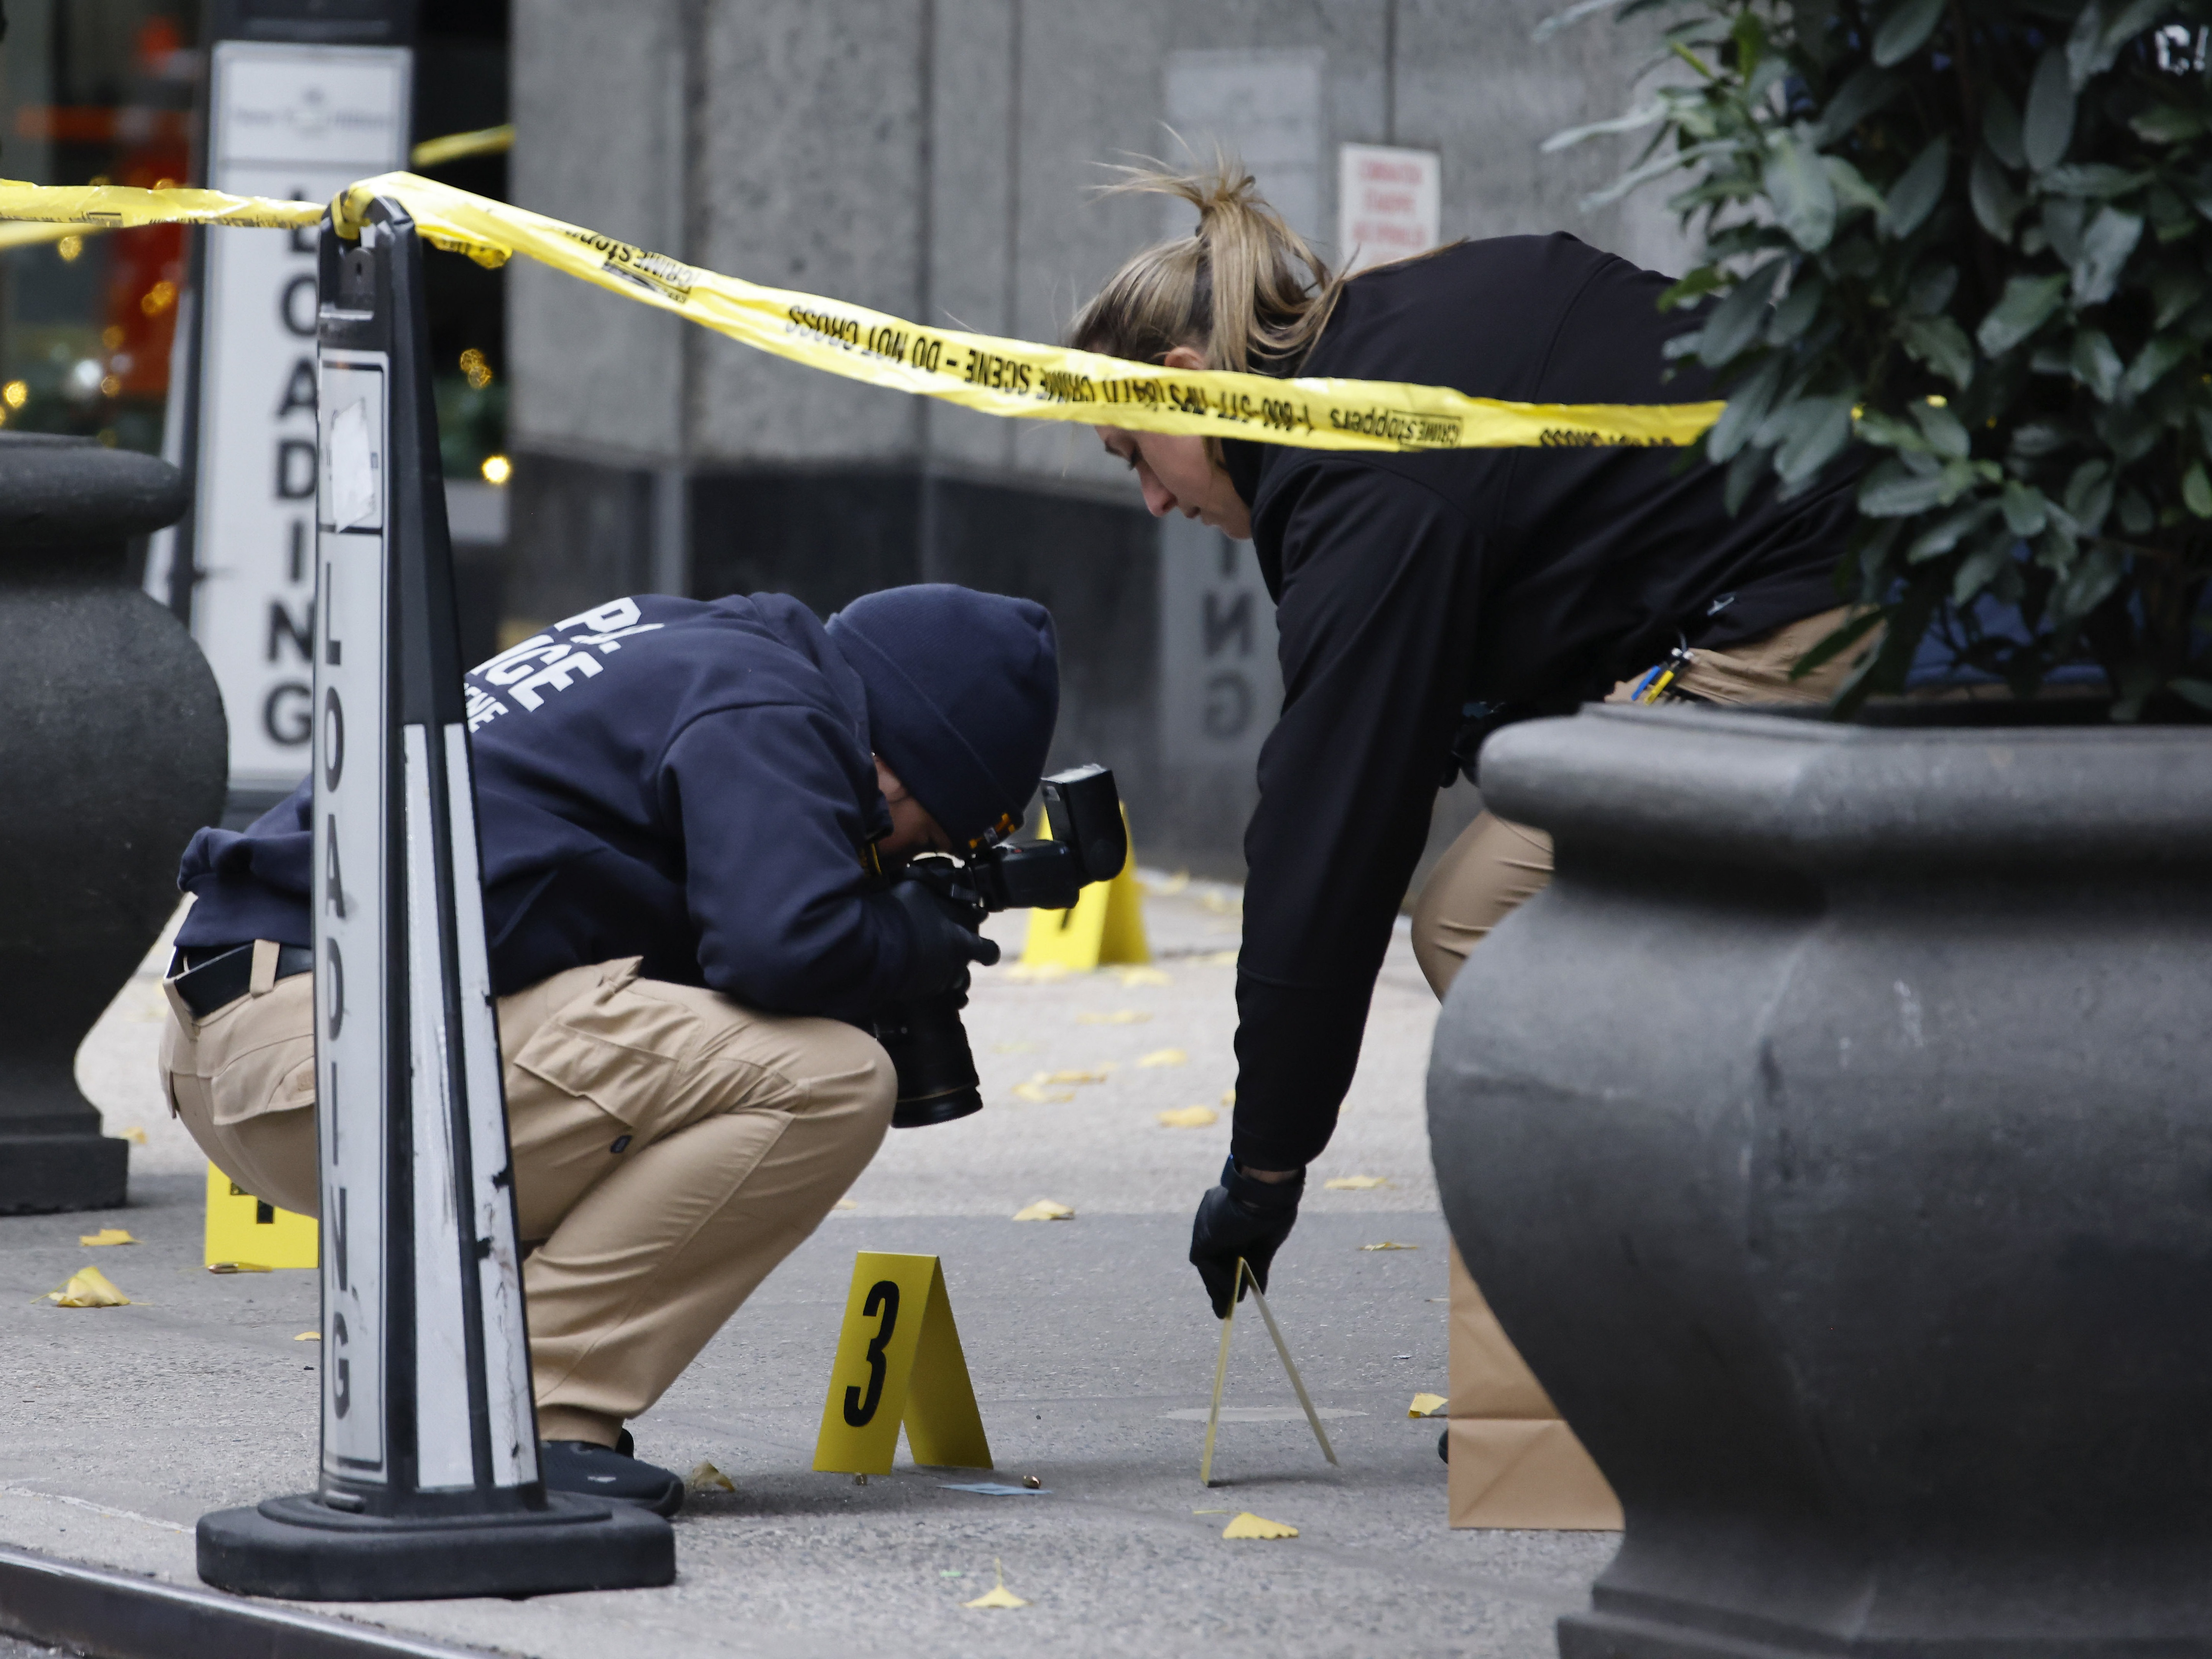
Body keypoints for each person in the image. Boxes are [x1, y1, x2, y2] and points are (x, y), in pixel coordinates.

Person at [1068, 162, 1867, 1319]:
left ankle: (1683, 1314)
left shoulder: (1356, 478)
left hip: (1812, 598)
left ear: (1189, 388)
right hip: (1832, 549)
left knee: (1478, 914)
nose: (1148, 498)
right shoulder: (1393, 337)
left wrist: (1264, 1168)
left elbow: (1329, 836)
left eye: (1133, 452)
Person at [159, 584, 1058, 1513]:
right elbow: (778, 946)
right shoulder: (776, 709)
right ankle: (530, 1414)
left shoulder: (700, 642)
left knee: (696, 1068)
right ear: (899, 774)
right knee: (828, 1080)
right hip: (328, 1047)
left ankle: (471, 1388)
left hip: (254, 1030)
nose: (901, 862)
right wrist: (911, 939)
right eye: (927, 843)